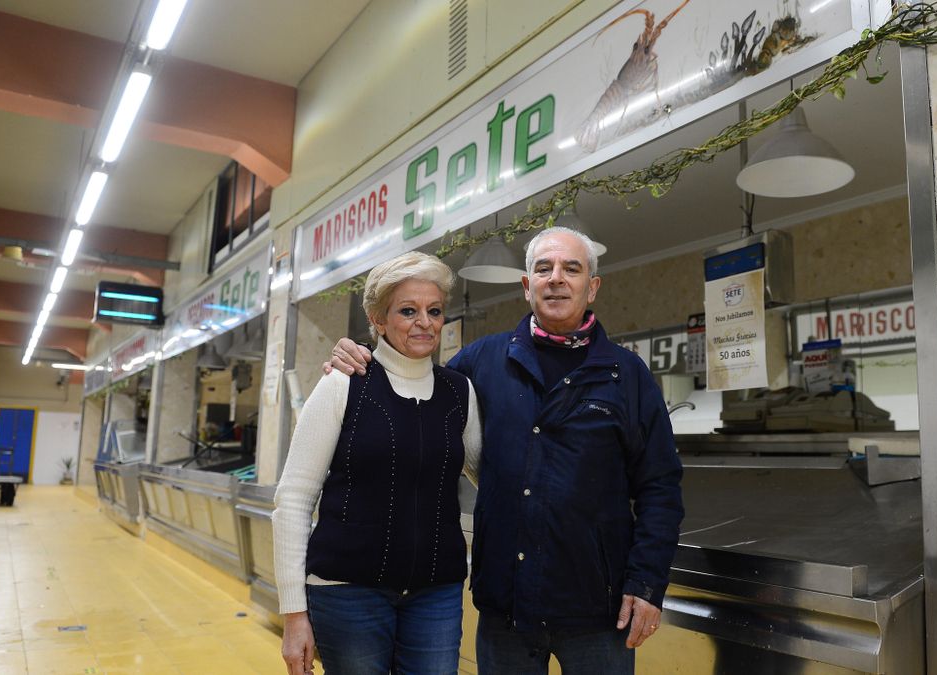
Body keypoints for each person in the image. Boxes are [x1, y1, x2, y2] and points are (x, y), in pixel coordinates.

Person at [327, 227, 684, 674]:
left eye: (571, 269)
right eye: (543, 268)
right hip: (505, 607)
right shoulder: (482, 362)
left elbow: (660, 488)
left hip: (598, 609)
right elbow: (411, 390)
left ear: (592, 287)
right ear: (526, 285)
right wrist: (359, 356)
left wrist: (647, 583)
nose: (556, 278)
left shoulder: (626, 375)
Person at [274, 251, 482, 675]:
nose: (424, 322)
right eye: (408, 310)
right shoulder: (343, 383)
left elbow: (488, 476)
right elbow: (293, 500)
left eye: (434, 310)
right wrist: (294, 615)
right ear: (378, 318)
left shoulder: (459, 392)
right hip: (348, 593)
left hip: (435, 594)